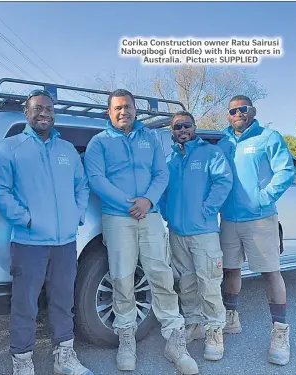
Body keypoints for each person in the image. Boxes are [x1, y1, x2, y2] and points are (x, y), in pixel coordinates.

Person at [84, 89, 198, 375]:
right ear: (109, 112)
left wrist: (147, 200)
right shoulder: (99, 143)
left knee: (160, 274)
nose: (124, 112)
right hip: (117, 216)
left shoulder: (150, 138)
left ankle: (174, 340)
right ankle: (126, 339)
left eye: (129, 107)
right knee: (122, 277)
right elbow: (96, 179)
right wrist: (128, 204)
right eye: (118, 108)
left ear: (136, 110)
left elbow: (162, 173)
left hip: (150, 214)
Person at [0, 89, 92, 375]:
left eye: (48, 108)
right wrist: (25, 219)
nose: (44, 113)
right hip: (28, 242)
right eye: (37, 108)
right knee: (25, 305)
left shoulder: (67, 150)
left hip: (65, 242)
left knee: (63, 301)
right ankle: (22, 362)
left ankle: (65, 358)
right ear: (27, 112)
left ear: (54, 113)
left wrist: (77, 214)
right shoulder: (11, 147)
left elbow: (81, 186)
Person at [217, 95, 295, 365]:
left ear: (252, 111)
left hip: (260, 219)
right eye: (232, 111)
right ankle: (231, 318)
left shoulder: (268, 137)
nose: (237, 113)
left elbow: (285, 172)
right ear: (228, 115)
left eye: (242, 109)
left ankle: (280, 332)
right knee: (230, 270)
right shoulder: (224, 141)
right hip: (228, 219)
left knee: (271, 273)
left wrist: (263, 198)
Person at [159, 111, 232, 362]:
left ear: (194, 127)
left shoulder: (210, 153)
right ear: (172, 131)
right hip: (177, 232)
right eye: (177, 126)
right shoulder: (170, 160)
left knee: (209, 282)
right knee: (186, 283)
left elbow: (223, 182)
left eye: (186, 125)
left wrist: (207, 211)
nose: (182, 129)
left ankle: (214, 331)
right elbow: (163, 191)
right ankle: (194, 324)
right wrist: (168, 214)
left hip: (204, 232)